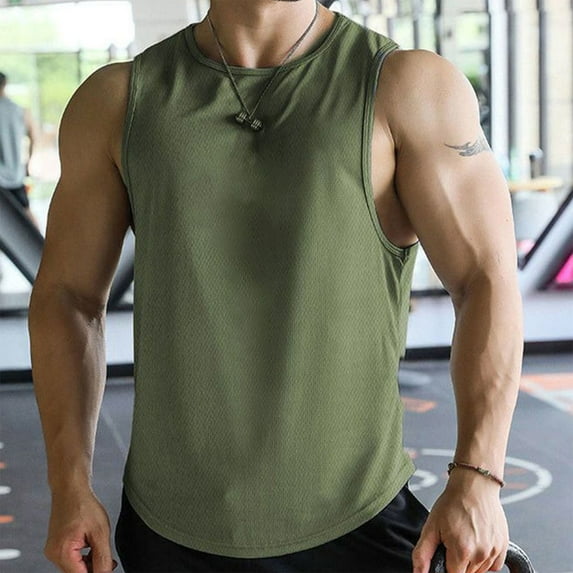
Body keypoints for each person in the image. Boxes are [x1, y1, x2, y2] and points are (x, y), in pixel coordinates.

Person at [29, 1, 523, 572]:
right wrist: (69, 485)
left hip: (358, 521)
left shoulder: (406, 86)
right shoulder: (115, 101)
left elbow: (484, 279)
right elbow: (68, 298)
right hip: (170, 527)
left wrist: (479, 477)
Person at [0, 71, 39, 228]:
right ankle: (41, 242)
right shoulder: (21, 111)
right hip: (16, 174)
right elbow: (33, 137)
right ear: (5, 84)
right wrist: (27, 163)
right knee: (27, 215)